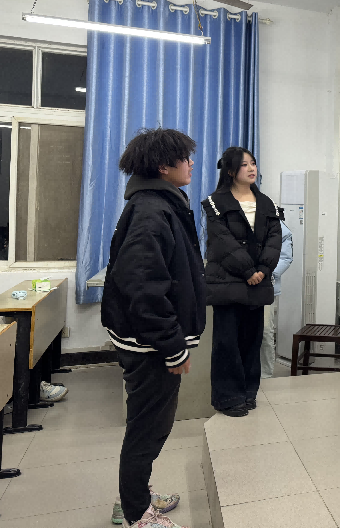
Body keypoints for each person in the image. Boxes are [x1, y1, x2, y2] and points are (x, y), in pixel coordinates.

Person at [102, 128, 205, 528]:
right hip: (150, 345)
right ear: (163, 166)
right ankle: (135, 513)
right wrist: (172, 346)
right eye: (184, 157)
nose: (191, 163)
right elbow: (143, 286)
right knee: (147, 430)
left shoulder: (157, 204)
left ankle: (135, 496)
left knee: (148, 426)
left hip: (148, 341)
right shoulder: (151, 211)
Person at [202, 147, 283, 416]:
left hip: (258, 281)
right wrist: (248, 270)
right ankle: (228, 398)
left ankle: (248, 393)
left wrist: (263, 269)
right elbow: (222, 241)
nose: (251, 169)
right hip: (228, 280)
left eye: (253, 163)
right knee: (227, 343)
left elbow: (274, 239)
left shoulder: (266, 203)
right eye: (244, 164)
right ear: (230, 171)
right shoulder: (215, 202)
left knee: (252, 340)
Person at [261, 221, 293, 379]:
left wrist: (266, 274)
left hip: (266, 285)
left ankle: (265, 374)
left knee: (265, 330)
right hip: (238, 286)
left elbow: (285, 257)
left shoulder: (275, 222)